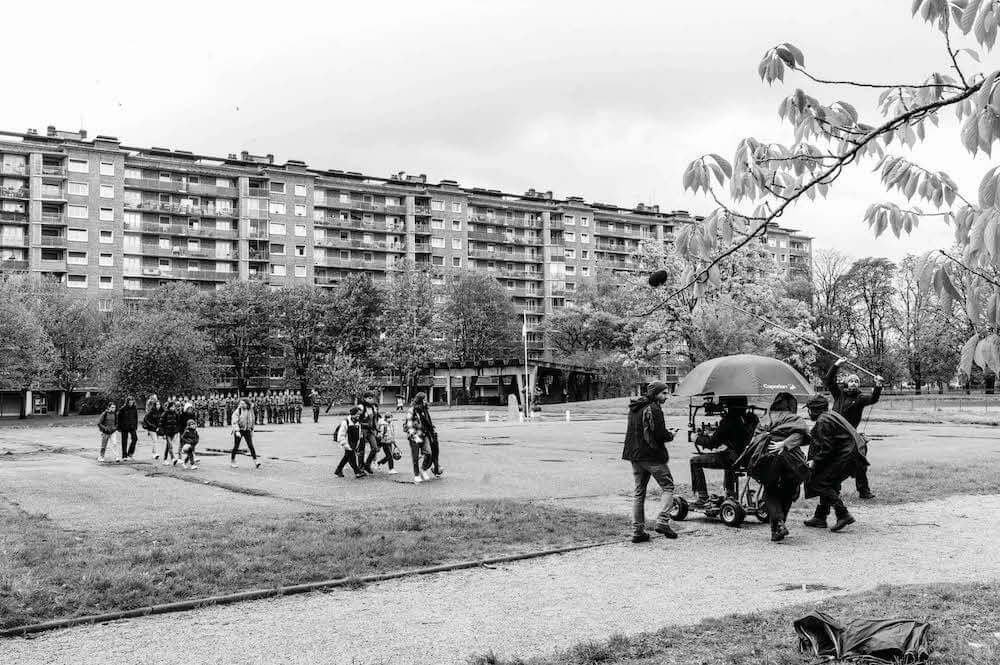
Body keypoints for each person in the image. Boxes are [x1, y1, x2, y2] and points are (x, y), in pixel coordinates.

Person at [735, 392, 810, 543]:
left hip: (768, 459)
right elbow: (800, 435)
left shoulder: (766, 419)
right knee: (788, 492)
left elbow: (756, 438)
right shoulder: (793, 418)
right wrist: (785, 443)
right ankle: (778, 526)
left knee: (770, 491)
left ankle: (778, 525)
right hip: (790, 461)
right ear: (791, 405)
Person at [803, 395, 869, 532]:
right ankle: (820, 517)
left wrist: (815, 460)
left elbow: (827, 447)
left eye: (809, 409)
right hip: (851, 454)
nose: (808, 413)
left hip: (846, 455)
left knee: (820, 482)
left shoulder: (823, 421)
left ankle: (843, 514)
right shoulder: (830, 415)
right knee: (829, 482)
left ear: (814, 410)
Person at [622, 381, 677, 543]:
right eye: (664, 393)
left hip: (635, 456)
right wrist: (671, 435)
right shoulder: (653, 408)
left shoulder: (635, 408)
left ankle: (638, 531)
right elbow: (659, 435)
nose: (667, 396)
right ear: (655, 394)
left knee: (639, 492)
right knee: (668, 487)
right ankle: (663, 521)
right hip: (652, 456)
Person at [826, 358, 883, 499]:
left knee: (860, 463)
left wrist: (878, 385)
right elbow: (828, 380)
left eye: (856, 381)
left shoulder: (860, 398)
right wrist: (836, 364)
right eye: (851, 380)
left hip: (851, 435)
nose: (854, 383)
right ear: (846, 383)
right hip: (834, 435)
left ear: (858, 385)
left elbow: (873, 399)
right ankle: (834, 490)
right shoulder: (838, 394)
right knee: (835, 464)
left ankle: (864, 491)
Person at [689, 397, 758, 508]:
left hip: (731, 458)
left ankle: (702, 498)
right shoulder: (751, 419)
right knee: (728, 459)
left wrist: (696, 439)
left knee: (694, 461)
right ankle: (730, 495)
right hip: (744, 458)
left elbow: (712, 443)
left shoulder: (729, 421)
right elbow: (735, 435)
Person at [403, 393, 435, 483]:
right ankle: (416, 475)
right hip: (414, 436)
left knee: (429, 453)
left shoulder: (424, 410)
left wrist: (431, 430)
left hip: (424, 435)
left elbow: (428, 422)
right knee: (415, 457)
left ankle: (423, 469)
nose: (426, 401)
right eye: (424, 399)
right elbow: (409, 424)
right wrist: (414, 435)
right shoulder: (411, 410)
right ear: (420, 400)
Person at [334, 406, 366, 478]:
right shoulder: (346, 422)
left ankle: (338, 470)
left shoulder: (358, 423)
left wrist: (359, 443)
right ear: (352, 414)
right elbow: (341, 435)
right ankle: (357, 472)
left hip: (354, 443)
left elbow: (359, 433)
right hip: (347, 443)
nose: (358, 416)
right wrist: (344, 444)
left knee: (346, 457)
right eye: (357, 414)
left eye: (359, 414)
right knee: (352, 457)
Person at [229, 398, 260, 469]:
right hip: (239, 430)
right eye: (241, 403)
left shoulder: (250, 410)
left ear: (247, 404)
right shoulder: (238, 411)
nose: (241, 405)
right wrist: (236, 431)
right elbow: (234, 421)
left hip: (247, 430)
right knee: (236, 446)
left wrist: (252, 430)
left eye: (243, 404)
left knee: (251, 446)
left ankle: (256, 461)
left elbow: (252, 419)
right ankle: (233, 461)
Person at [357, 392, 381, 474]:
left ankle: (367, 465)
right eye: (369, 398)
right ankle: (361, 468)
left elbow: (375, 419)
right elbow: (355, 418)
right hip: (362, 430)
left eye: (372, 398)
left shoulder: (373, 407)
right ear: (365, 398)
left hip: (371, 430)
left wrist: (377, 428)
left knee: (375, 448)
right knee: (361, 450)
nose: (371, 399)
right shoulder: (361, 407)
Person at [157, 401, 181, 465]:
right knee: (170, 445)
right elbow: (161, 424)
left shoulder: (176, 414)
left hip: (173, 432)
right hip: (167, 432)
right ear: (169, 407)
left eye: (174, 407)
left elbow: (178, 423)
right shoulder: (165, 414)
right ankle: (173, 458)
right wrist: (163, 434)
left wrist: (177, 431)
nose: (173, 408)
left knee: (168, 446)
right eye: (172, 407)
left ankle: (165, 459)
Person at [117, 396, 139, 460]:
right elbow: (119, 418)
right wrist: (119, 427)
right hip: (124, 427)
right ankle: (124, 456)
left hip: (132, 426)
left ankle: (130, 453)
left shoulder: (134, 408)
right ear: (127, 401)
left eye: (132, 401)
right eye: (130, 401)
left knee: (135, 438)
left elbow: (136, 418)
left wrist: (135, 426)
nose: (131, 402)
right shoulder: (123, 408)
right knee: (124, 441)